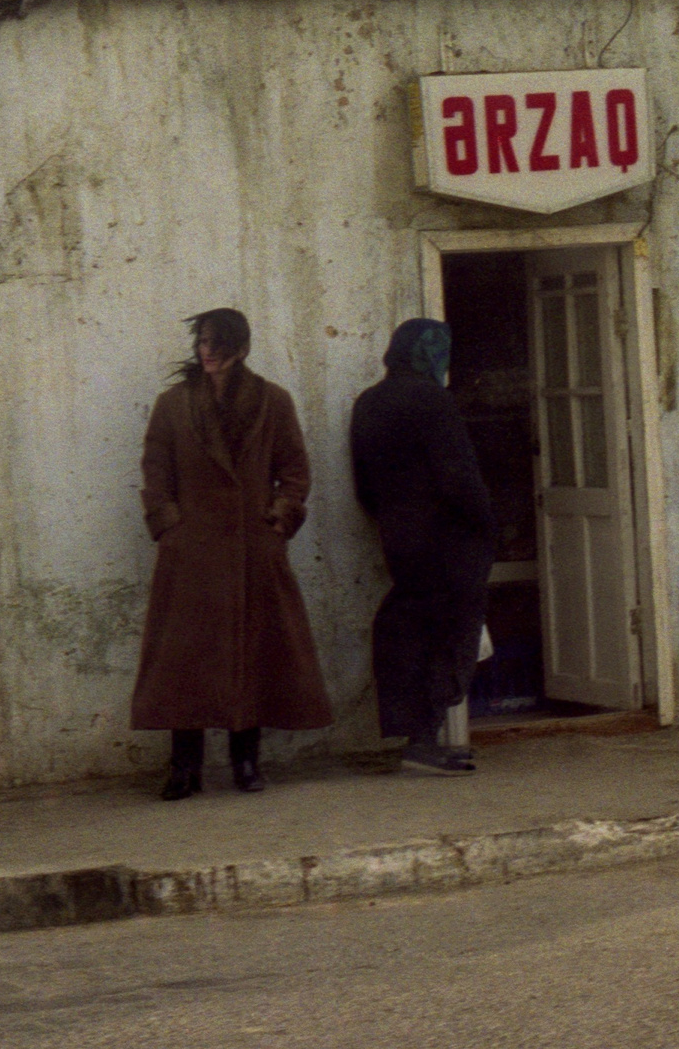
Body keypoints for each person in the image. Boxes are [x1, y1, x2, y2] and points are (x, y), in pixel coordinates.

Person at [129, 308, 333, 800]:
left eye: (218, 346)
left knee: (254, 654)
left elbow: (295, 469)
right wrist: (169, 527)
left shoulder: (272, 402)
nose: (207, 353)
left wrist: (279, 521)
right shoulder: (173, 405)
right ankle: (184, 768)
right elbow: (156, 473)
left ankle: (247, 761)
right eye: (202, 342)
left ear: (241, 350)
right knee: (185, 660)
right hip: (191, 554)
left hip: (252, 553)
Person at [349, 318, 498, 776]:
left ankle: (418, 738)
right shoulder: (433, 401)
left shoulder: (369, 402)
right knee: (451, 634)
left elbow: (364, 485)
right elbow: (458, 477)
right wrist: (487, 525)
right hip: (447, 539)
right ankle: (423, 740)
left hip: (399, 537)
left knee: (412, 629)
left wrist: (394, 519)